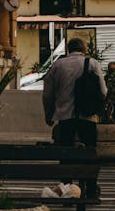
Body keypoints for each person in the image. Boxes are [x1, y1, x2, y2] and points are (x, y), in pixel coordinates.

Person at [42, 37, 106, 199]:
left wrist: (48, 114)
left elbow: (48, 94)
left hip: (65, 117)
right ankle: (90, 189)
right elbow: (103, 91)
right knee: (90, 152)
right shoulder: (92, 63)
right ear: (84, 49)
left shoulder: (58, 65)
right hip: (88, 117)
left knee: (66, 155)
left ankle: (66, 188)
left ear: (68, 49)